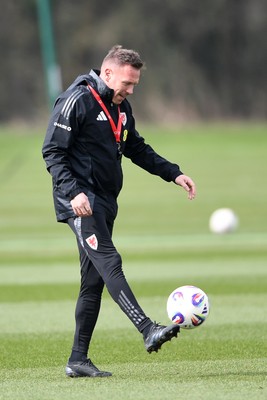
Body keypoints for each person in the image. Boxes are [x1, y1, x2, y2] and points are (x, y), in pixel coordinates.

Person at [42, 45, 196, 378]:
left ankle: (77, 360)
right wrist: (74, 193)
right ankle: (147, 329)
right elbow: (52, 152)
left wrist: (173, 173)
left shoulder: (121, 107)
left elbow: (135, 147)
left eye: (134, 85)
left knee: (93, 281)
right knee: (110, 260)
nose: (129, 90)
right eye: (126, 83)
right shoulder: (77, 100)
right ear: (107, 73)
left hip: (106, 202)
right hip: (81, 204)